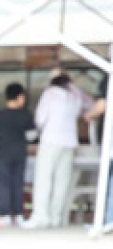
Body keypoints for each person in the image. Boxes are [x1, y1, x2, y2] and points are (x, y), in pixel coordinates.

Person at [29, 72, 104, 229]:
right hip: (70, 142)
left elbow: (40, 119)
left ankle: (41, 216)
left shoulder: (50, 93)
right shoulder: (75, 97)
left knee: (44, 179)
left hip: (50, 140)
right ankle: (56, 218)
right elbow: (92, 106)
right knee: (62, 182)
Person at [0, 83, 35, 227]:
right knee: (18, 183)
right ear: (19, 97)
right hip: (20, 153)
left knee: (4, 184)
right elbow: (32, 136)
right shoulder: (26, 115)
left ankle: (5, 215)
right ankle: (19, 215)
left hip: (3, 153)